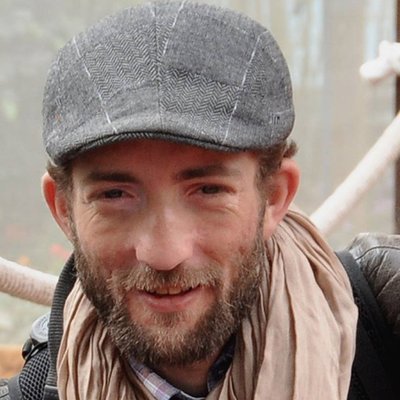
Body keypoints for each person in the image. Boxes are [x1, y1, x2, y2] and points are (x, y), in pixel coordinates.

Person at [1, 2, 399, 400]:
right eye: (114, 195)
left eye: (208, 190)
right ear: (64, 210)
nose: (165, 254)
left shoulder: (386, 316)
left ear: (274, 196)